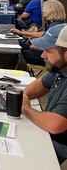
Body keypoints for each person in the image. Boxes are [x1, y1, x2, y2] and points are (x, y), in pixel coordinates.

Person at [18, 24, 67, 164]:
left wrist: (26, 108)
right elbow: (40, 86)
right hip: (47, 133)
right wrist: (23, 96)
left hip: (58, 144)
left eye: (48, 51)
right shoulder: (60, 67)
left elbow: (56, 125)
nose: (42, 55)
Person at [11, 0, 66, 66]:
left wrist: (27, 47)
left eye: (44, 9)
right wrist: (22, 33)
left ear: (51, 11)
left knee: (16, 53)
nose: (42, 10)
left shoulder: (55, 28)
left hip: (43, 56)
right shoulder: (57, 24)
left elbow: (45, 48)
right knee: (18, 46)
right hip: (41, 52)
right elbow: (43, 34)